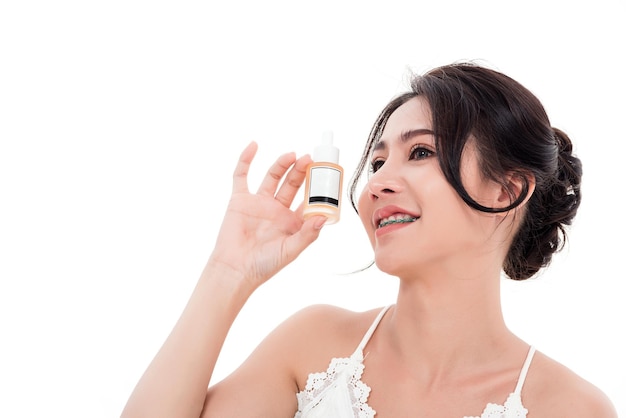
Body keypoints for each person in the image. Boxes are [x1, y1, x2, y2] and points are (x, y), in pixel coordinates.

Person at [121, 62, 617, 417]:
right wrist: (227, 275)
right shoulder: (312, 346)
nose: (376, 183)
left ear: (508, 190)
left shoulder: (571, 408)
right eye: (377, 162)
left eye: (420, 152)